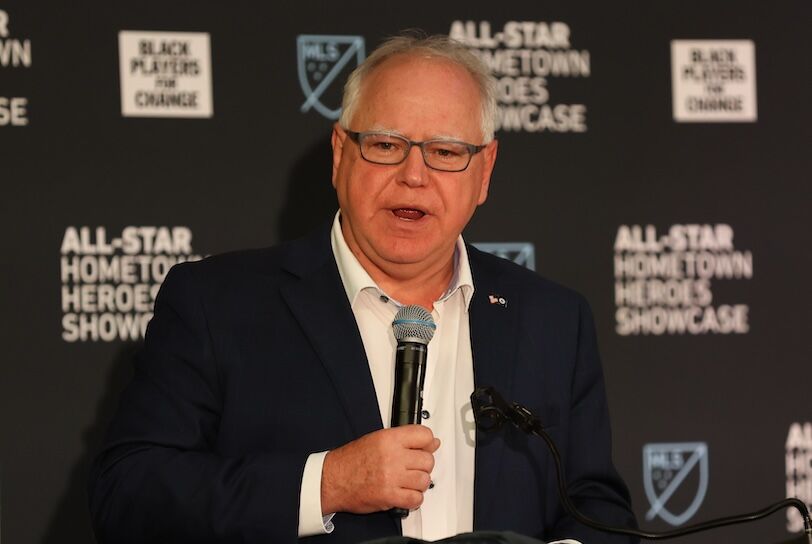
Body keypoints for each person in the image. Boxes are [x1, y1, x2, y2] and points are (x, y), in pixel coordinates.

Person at [89, 33, 638, 544]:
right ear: (339, 153)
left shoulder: (553, 320)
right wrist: (326, 483)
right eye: (385, 145)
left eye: (446, 152)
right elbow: (128, 496)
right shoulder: (216, 304)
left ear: (485, 170)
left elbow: (595, 510)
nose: (414, 175)